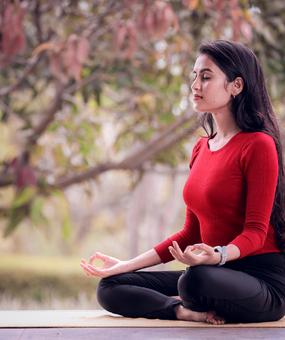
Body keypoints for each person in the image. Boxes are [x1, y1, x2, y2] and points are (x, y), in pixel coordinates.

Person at [80, 40, 285, 324]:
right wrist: (127, 265)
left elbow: (255, 232)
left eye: (206, 77)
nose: (195, 86)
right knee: (111, 286)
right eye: (194, 76)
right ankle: (181, 310)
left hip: (260, 282)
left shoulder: (258, 145)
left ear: (236, 86)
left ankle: (189, 299)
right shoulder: (202, 148)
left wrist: (217, 255)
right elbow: (190, 234)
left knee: (193, 281)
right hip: (211, 272)